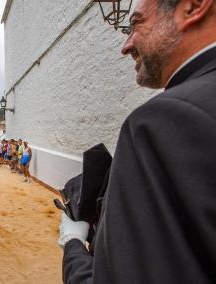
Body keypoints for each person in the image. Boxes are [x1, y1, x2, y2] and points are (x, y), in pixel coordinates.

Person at [59, 0, 216, 283]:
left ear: (193, 7)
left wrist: (71, 243)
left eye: (136, 24)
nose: (126, 46)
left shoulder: (166, 118)